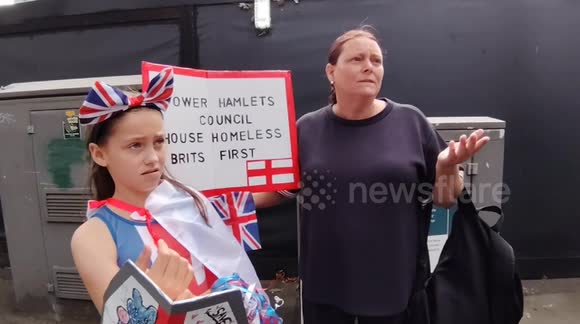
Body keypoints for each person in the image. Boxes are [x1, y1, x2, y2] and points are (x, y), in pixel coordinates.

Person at [253, 26, 489, 324]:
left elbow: (445, 199)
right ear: (331, 71)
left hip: (393, 285)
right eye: (357, 59)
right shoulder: (307, 129)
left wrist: (446, 167)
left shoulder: (411, 122)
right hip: (324, 283)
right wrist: (216, 204)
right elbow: (280, 190)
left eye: (376, 61)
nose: (369, 67)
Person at [70, 68, 260, 314]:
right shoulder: (94, 235)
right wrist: (154, 297)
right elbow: (116, 318)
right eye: (135, 145)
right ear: (99, 154)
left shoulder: (192, 202)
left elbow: (232, 272)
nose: (153, 158)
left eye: (159, 142)